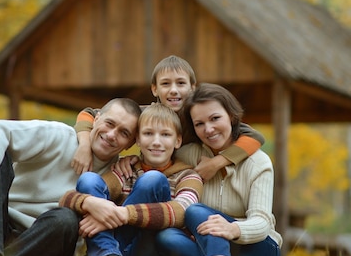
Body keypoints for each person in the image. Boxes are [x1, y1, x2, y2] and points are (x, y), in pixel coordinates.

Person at [0, 97, 141, 256]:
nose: (111, 135)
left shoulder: (118, 175)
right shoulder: (59, 136)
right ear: (96, 118)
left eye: (124, 133)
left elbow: (162, 114)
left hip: (45, 244)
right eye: (109, 123)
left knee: (66, 219)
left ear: (130, 143)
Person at [155, 83, 283, 256]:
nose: (208, 129)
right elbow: (155, 150)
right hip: (208, 247)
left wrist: (233, 229)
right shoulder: (188, 155)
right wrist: (130, 161)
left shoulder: (258, 162)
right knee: (167, 238)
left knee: (195, 211)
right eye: (199, 124)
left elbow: (263, 222)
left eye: (215, 118)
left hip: (256, 248)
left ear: (231, 117)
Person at [59, 103, 203, 256]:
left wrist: (123, 214)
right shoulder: (126, 170)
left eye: (165, 135)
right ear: (138, 140)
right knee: (89, 179)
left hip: (150, 253)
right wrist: (90, 203)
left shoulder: (188, 176)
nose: (156, 142)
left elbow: (182, 212)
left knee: (153, 179)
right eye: (148, 133)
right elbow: (68, 199)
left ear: (177, 140)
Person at [71, 55, 266, 182]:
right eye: (166, 84)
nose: (174, 90)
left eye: (181, 83)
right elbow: (89, 113)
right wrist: (84, 145)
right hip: (146, 176)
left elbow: (255, 137)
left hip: (183, 179)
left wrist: (216, 164)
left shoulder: (199, 118)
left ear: (192, 87)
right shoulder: (146, 115)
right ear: (155, 89)